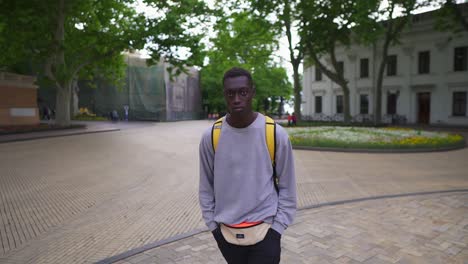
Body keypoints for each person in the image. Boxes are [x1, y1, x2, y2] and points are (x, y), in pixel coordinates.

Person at [199, 67, 296, 264]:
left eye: (242, 92)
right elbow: (205, 188)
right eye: (230, 93)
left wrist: (276, 231)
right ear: (224, 95)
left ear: (252, 92)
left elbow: (288, 187)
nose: (236, 99)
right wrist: (214, 229)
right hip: (227, 235)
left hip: (266, 234)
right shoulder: (211, 137)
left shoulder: (275, 134)